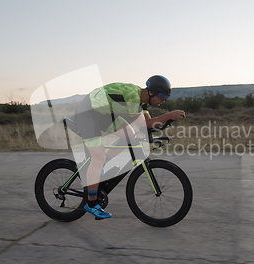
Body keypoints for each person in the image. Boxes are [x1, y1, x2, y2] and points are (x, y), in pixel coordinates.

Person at [74, 75, 185, 219]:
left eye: (166, 97)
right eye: (162, 95)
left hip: (103, 114)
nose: (163, 100)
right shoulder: (133, 96)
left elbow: (148, 124)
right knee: (97, 157)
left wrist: (165, 121)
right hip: (87, 114)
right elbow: (143, 125)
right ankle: (91, 203)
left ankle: (103, 165)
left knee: (130, 136)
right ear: (151, 92)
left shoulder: (141, 101)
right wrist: (168, 115)